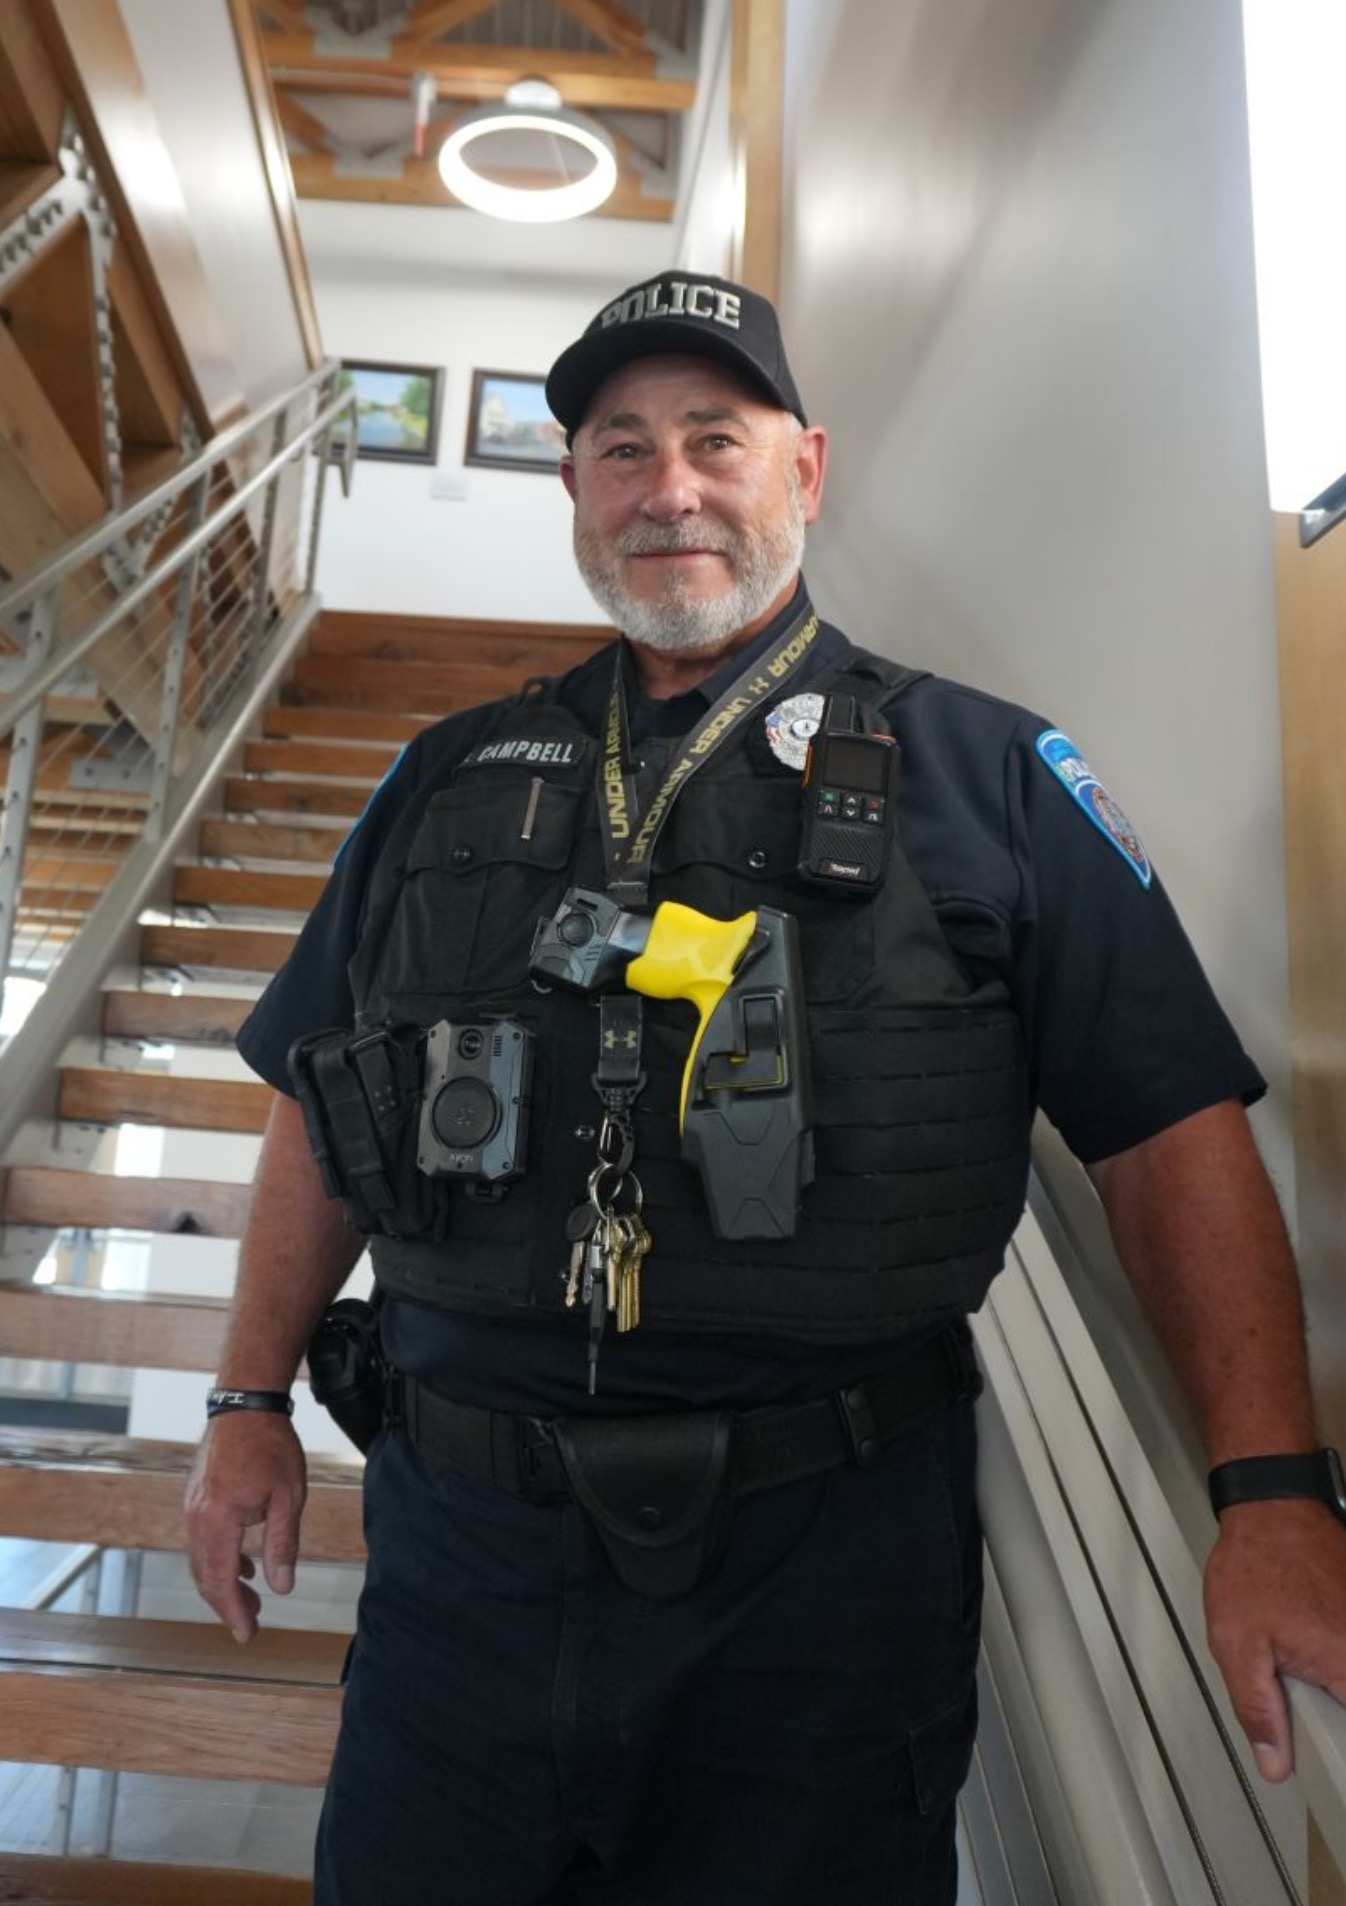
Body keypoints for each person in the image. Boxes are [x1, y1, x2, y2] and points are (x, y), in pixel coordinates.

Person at [186, 270, 1346, 1906]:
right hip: (462, 1566)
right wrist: (243, 1405)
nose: (667, 488)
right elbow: (316, 1101)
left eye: (713, 440)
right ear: (575, 488)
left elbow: (1168, 1136)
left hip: (823, 1589)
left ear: (804, 467)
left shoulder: (992, 777)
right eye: (621, 447)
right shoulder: (442, 780)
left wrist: (1272, 1491)